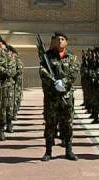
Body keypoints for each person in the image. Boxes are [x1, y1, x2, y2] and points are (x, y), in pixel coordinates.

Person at [39, 32, 79, 161]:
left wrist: (64, 82)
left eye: (62, 39)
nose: (60, 41)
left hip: (67, 97)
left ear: (66, 42)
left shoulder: (72, 57)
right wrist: (54, 82)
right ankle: (48, 151)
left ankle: (69, 150)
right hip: (52, 97)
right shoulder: (47, 57)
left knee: (67, 124)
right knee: (50, 124)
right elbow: (43, 71)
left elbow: (74, 73)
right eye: (58, 39)